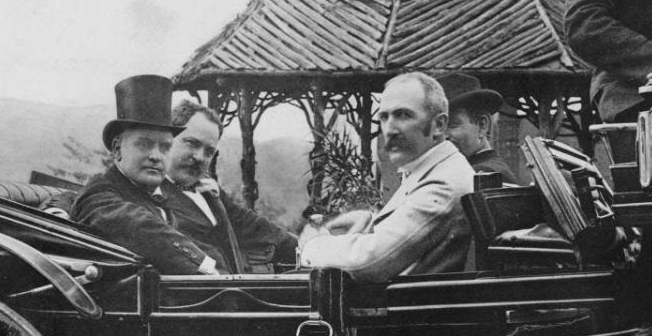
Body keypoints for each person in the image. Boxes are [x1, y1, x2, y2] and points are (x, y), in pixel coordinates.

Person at [298, 72, 475, 282]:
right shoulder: (432, 168)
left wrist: (313, 244)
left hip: (406, 311)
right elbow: (412, 232)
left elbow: (368, 262)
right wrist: (368, 221)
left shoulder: (444, 182)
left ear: (438, 125)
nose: (389, 129)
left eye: (403, 115)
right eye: (384, 117)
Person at [70, 75, 225, 275]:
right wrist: (210, 269)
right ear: (117, 149)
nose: (156, 156)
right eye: (144, 144)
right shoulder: (99, 193)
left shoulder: (154, 197)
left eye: (165, 147)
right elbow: (140, 226)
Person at [165, 99, 298, 272]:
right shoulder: (152, 194)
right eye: (192, 143)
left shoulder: (208, 192)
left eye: (209, 151)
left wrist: (305, 247)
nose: (199, 157)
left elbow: (251, 225)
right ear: (167, 140)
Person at [436, 73, 518, 184]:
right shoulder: (488, 166)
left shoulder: (479, 174)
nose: (444, 136)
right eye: (438, 126)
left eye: (453, 125)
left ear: (482, 126)